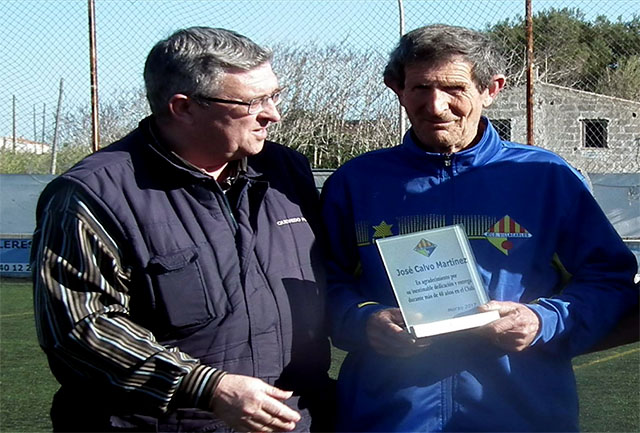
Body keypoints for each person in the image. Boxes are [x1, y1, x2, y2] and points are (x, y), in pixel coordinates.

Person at [320, 24, 639, 432]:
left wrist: (544, 320)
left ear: (491, 89)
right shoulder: (356, 182)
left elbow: (610, 279)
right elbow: (324, 284)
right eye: (420, 88)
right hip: (391, 417)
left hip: (522, 414)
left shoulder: (545, 177)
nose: (435, 106)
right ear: (396, 88)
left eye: (454, 88)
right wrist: (364, 320)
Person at [32, 27, 334, 433]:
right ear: (183, 107)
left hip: (293, 420)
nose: (272, 114)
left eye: (274, 96)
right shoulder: (92, 194)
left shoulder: (285, 172)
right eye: (253, 102)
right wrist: (207, 388)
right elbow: (80, 329)